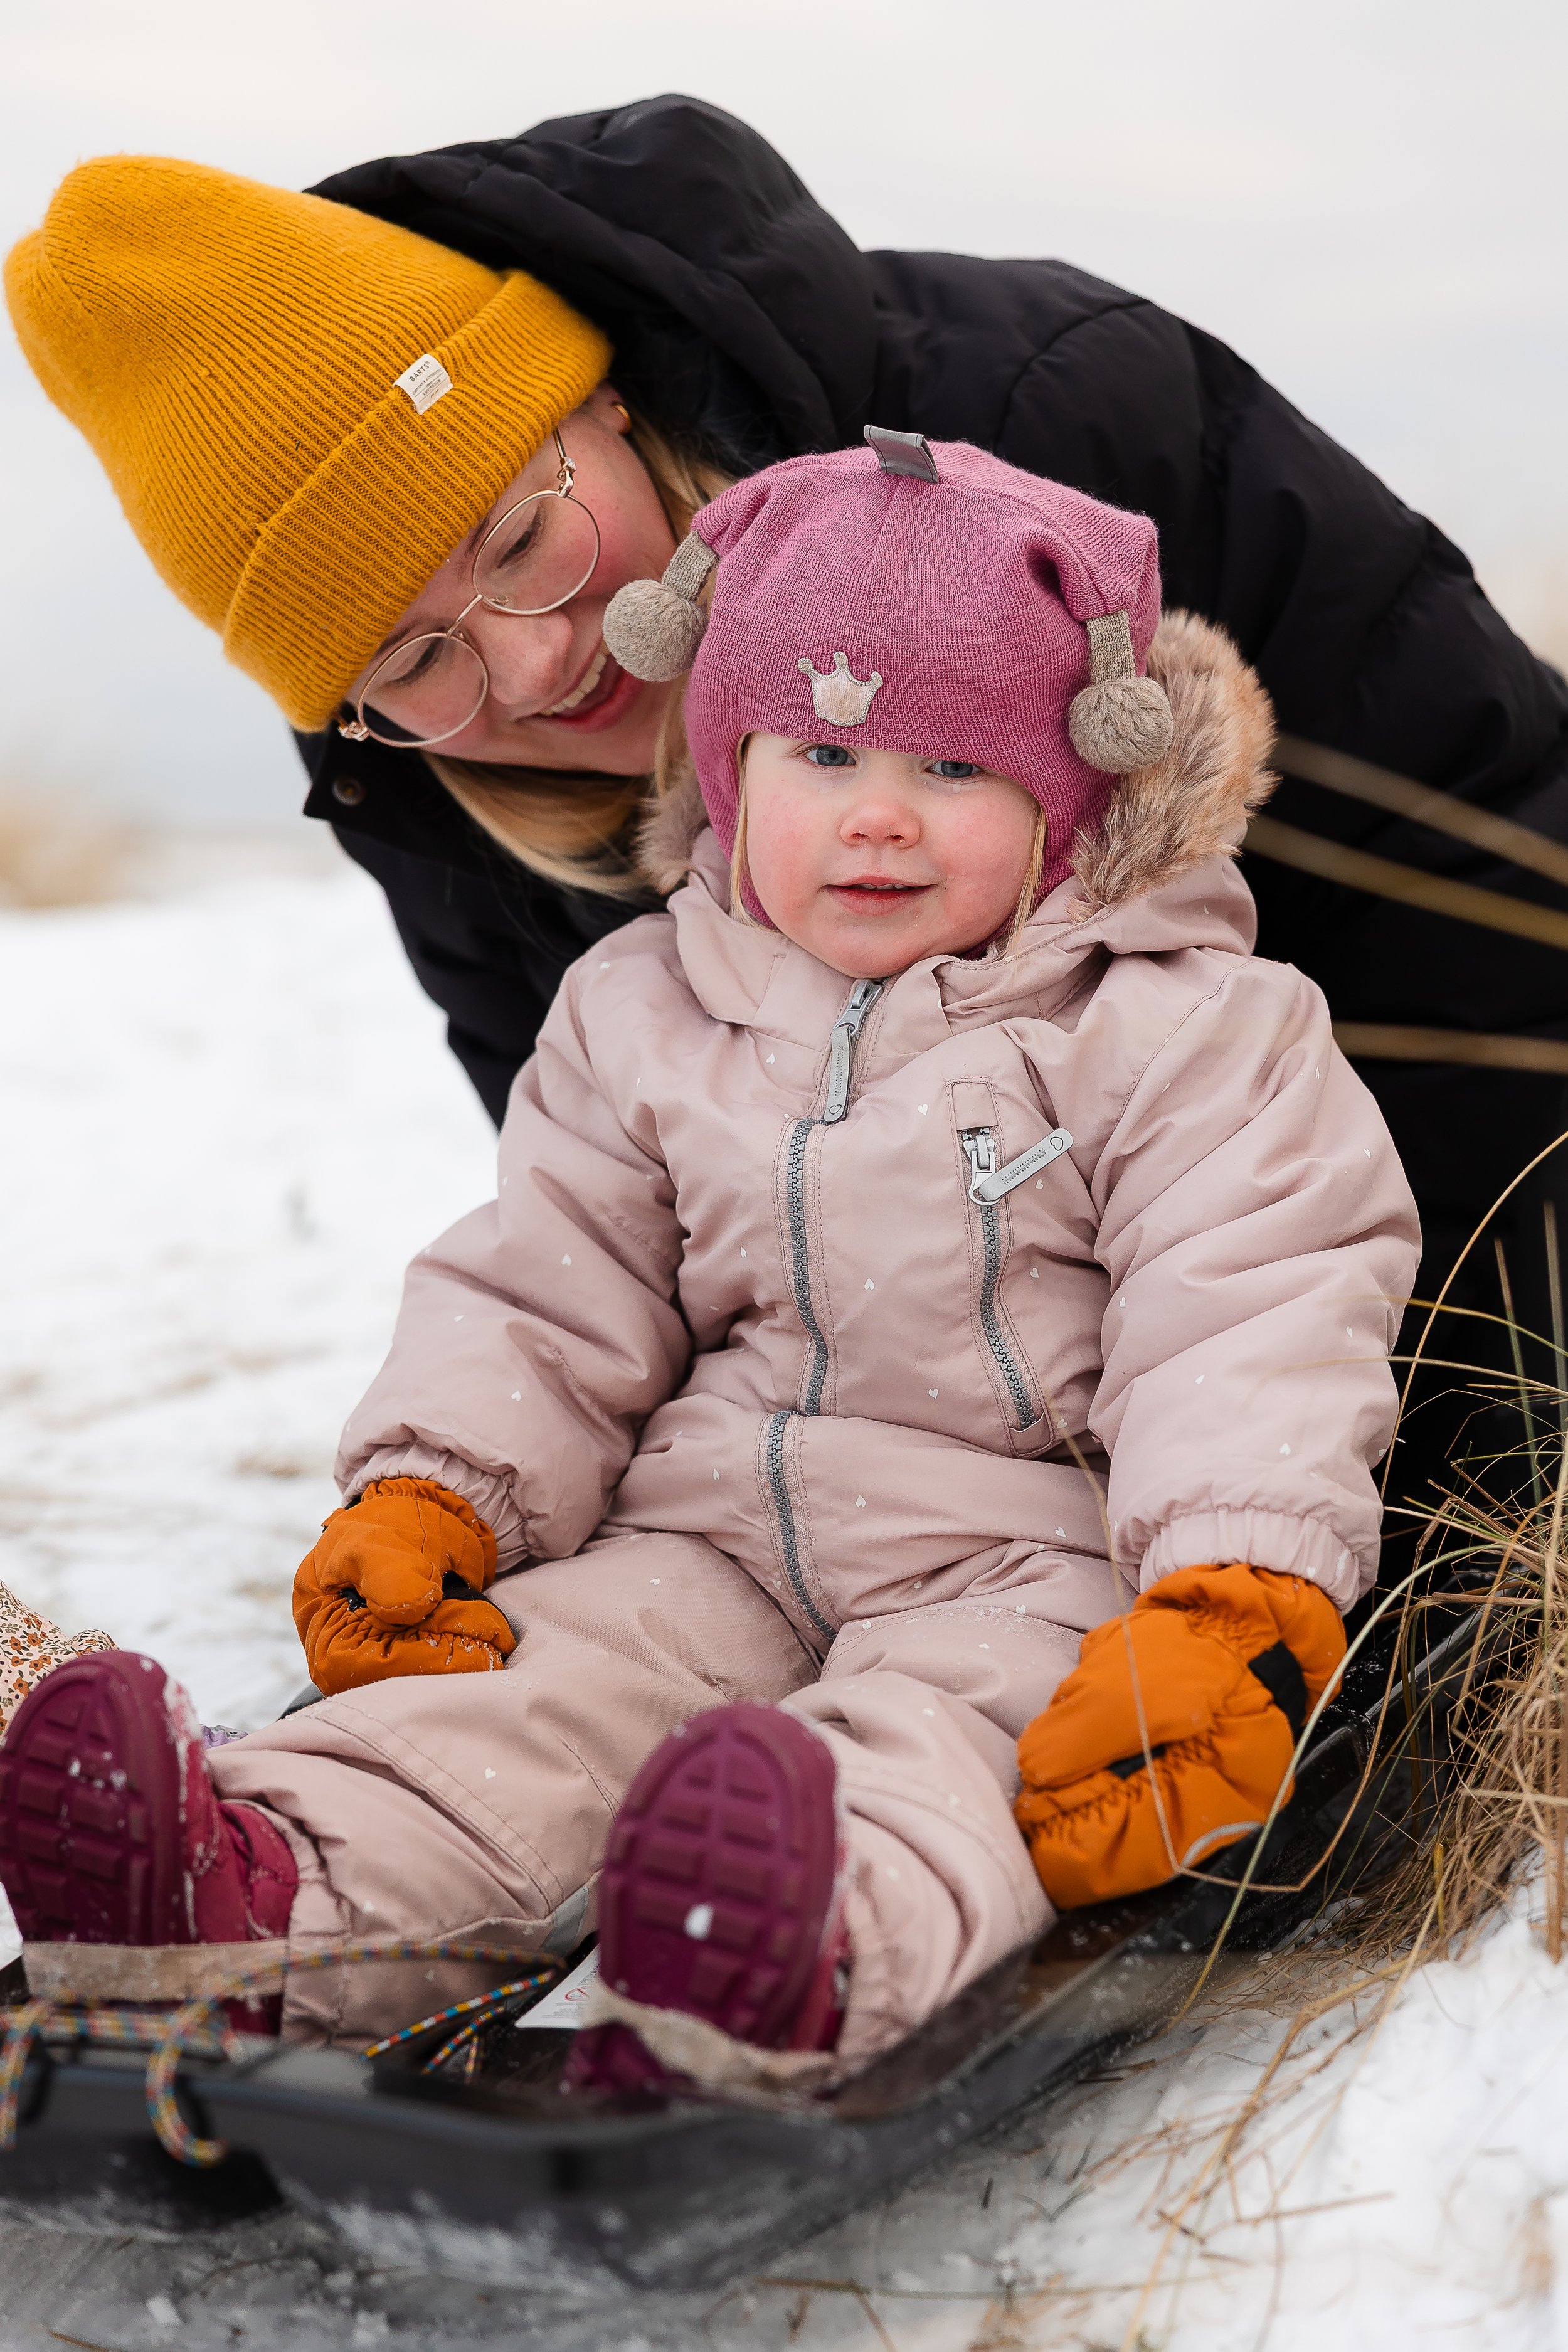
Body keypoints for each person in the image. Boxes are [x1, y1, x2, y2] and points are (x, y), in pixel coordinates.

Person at [0, 437, 1419, 2081]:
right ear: (735, 769)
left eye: (954, 766)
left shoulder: (1191, 1031)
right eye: (822, 748)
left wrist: (1225, 1596)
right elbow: (547, 1276)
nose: (879, 815)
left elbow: (1249, 1311)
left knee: (945, 1747)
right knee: (528, 1692)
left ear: (1076, 783)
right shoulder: (643, 1003)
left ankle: (784, 1932)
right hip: (708, 1531)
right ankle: (253, 1906)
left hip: (1025, 1556)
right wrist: (437, 1490)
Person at [4, 102, 1562, 1535]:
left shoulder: (1041, 418)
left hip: (1386, 1288)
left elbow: (1490, 890)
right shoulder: (435, 776)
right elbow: (626, 1237)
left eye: (523, 539)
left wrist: (1364, 1478)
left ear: (597, 396)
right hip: (956, 1498)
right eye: (413, 657)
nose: (536, 665)